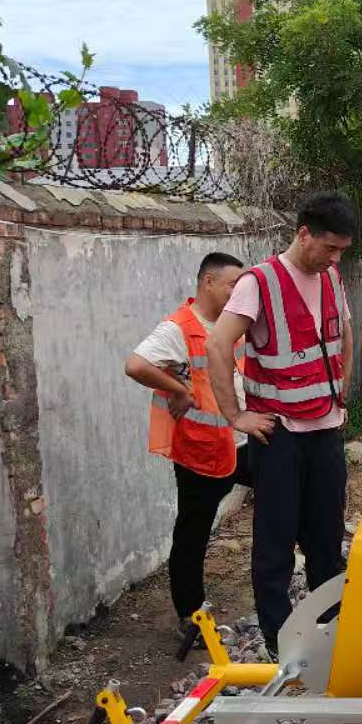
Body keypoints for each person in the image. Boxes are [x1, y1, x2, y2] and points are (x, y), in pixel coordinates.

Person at [207, 192, 358, 657]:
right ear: (304, 234)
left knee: (326, 539)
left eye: (342, 251)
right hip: (280, 436)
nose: (335, 258)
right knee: (275, 543)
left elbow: (344, 331)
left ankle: (329, 630)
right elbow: (217, 345)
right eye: (329, 248)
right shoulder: (260, 282)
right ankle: (279, 640)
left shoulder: (331, 277)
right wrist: (236, 416)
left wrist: (341, 391)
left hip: (326, 431)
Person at [125, 252, 251, 636]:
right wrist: (179, 389)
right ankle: (190, 616)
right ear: (208, 282)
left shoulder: (232, 323)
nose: (238, 293)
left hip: (243, 440)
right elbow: (136, 365)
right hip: (203, 448)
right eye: (232, 285)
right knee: (193, 532)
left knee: (286, 498)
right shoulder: (178, 327)